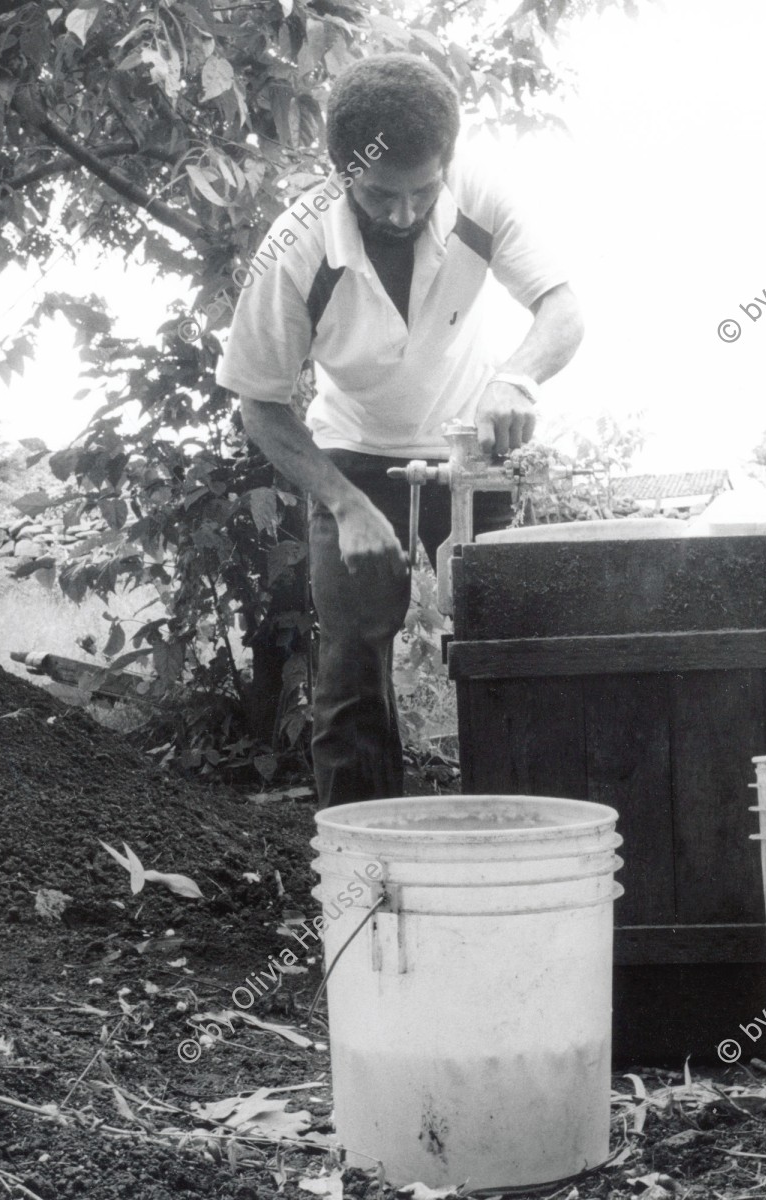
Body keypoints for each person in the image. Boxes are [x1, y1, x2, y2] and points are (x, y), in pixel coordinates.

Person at [215, 53, 584, 806]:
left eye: (424, 190)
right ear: (342, 170)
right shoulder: (296, 249)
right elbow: (259, 403)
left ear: (448, 161)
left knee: (506, 655)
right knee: (351, 670)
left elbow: (563, 311)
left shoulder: (479, 197)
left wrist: (515, 379)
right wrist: (345, 503)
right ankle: (364, 874)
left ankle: (516, 838)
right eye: (382, 194)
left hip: (469, 456)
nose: (405, 213)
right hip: (350, 461)